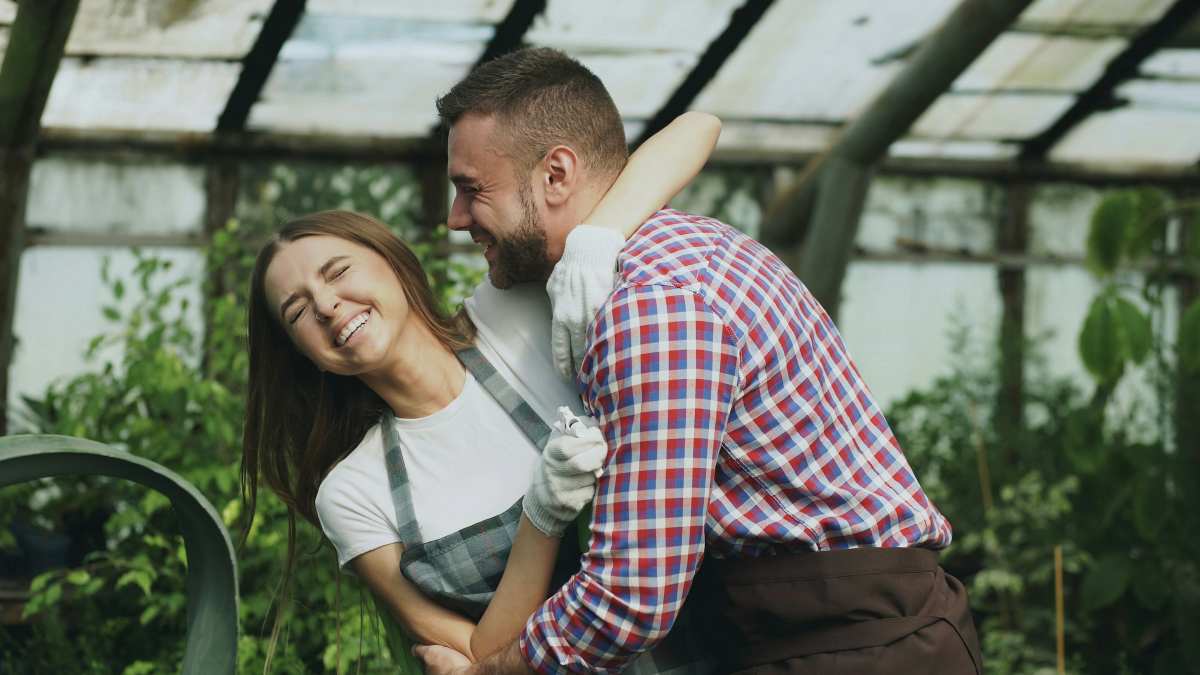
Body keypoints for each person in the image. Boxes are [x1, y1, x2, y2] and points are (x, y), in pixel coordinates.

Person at [418, 47, 982, 675]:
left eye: (472, 189)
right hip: (842, 628)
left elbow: (631, 594)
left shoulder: (651, 307)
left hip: (848, 645)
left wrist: (500, 670)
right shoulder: (672, 249)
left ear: (556, 175)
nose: (455, 218)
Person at [239, 111, 723, 670]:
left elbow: (697, 128)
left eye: (337, 271)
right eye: (297, 310)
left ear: (393, 262)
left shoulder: (511, 314)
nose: (325, 306)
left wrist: (595, 241)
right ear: (303, 355)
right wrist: (540, 517)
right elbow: (482, 656)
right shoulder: (353, 493)